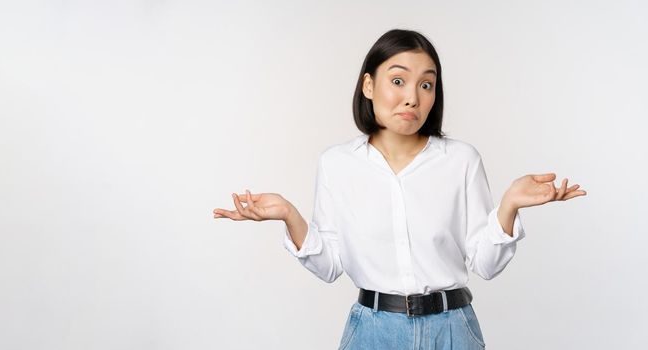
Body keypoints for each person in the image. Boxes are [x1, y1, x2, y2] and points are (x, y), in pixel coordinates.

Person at [212, 29, 587, 350]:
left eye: (426, 84)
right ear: (368, 85)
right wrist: (290, 216)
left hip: (452, 329)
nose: (413, 97)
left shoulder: (461, 160)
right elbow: (329, 267)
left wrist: (508, 207)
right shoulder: (337, 164)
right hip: (373, 331)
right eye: (397, 80)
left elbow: (486, 266)